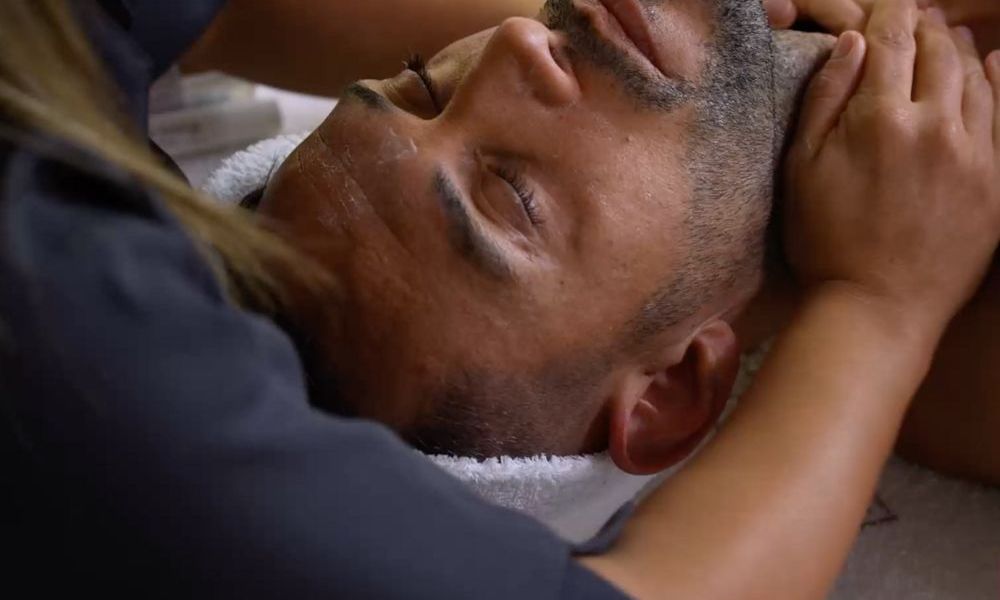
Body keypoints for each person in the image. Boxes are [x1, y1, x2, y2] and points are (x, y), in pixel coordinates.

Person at [1, 1, 998, 599]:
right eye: (511, 197)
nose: (520, 40)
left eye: (418, 85)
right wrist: (880, 303)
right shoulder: (92, 381)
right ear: (668, 389)